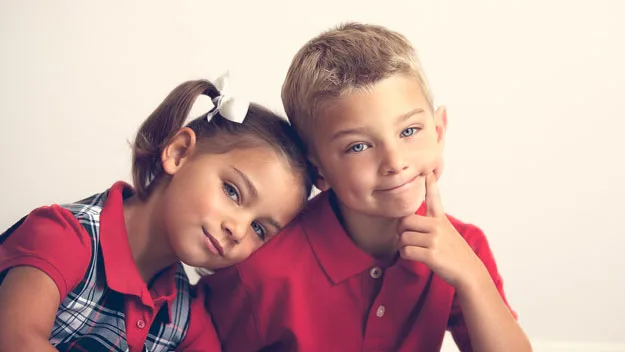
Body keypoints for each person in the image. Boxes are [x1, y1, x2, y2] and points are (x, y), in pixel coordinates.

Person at [203, 23, 532, 351]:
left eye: (409, 131)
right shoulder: (262, 273)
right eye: (358, 146)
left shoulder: (464, 249)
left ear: (439, 131)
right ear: (319, 170)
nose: (394, 161)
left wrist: (472, 278)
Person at [0, 74, 312, 351]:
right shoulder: (64, 236)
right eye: (232, 191)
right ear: (178, 153)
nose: (238, 230)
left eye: (259, 229)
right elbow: (17, 340)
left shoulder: (183, 316)